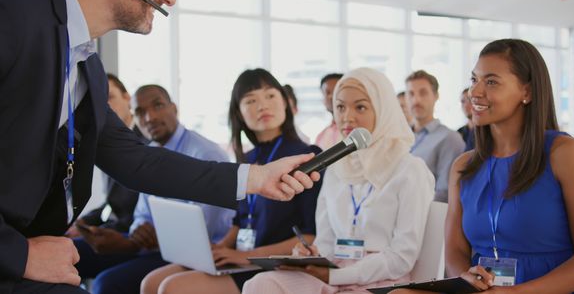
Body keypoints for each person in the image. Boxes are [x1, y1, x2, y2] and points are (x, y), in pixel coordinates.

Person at [0, 0, 318, 292]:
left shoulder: (88, 69)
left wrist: (257, 177)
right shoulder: (10, 9)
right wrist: (20, 255)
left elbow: (138, 161)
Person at [394, 39, 574, 294]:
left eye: (491, 82)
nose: (475, 92)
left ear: (527, 92)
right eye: (474, 80)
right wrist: (465, 276)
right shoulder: (464, 166)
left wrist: (516, 293)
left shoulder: (566, 154)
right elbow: (455, 252)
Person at [242, 67, 434, 294]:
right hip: (332, 275)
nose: (347, 117)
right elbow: (326, 240)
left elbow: (401, 257)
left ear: (383, 110)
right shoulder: (336, 167)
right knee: (260, 284)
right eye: (340, 107)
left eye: (360, 107)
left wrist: (337, 275)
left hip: (381, 281)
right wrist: (311, 257)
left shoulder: (410, 170)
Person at [140, 69, 322, 294]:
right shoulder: (248, 160)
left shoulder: (305, 157)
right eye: (251, 100)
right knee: (151, 282)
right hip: (242, 259)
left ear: (285, 101)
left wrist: (243, 256)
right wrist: (218, 249)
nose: (262, 105)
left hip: (274, 264)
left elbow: (310, 235)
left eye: (270, 96)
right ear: (239, 113)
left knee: (173, 287)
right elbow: (239, 221)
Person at [73, 84, 236, 293]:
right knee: (72, 254)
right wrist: (139, 230)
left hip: (201, 255)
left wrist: (140, 241)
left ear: (174, 109)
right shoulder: (149, 153)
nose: (149, 118)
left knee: (107, 283)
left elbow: (202, 231)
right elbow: (142, 213)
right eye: (140, 112)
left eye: (157, 106)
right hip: (155, 247)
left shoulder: (205, 154)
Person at [67, 74, 145, 238]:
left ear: (127, 98)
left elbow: (129, 213)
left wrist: (98, 231)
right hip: (112, 227)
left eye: (110, 97)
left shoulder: (145, 144)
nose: (106, 107)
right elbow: (113, 203)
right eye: (99, 101)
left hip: (131, 235)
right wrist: (83, 222)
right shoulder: (105, 142)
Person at [406, 70, 465, 202]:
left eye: (423, 93)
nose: (416, 100)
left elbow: (444, 194)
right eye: (411, 94)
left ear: (436, 96)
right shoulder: (398, 138)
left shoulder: (450, 139)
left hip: (426, 217)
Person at [315, 73, 344, 150]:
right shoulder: (321, 136)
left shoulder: (355, 131)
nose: (331, 96)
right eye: (327, 92)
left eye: (336, 91)